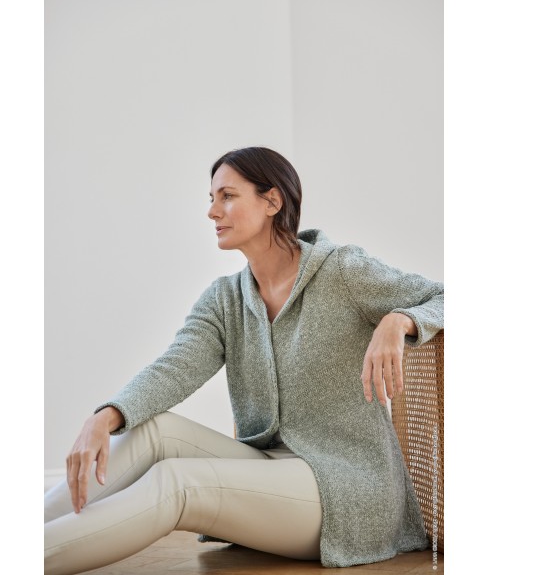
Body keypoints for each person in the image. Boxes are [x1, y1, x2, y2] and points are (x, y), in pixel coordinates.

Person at [44, 146, 444, 574]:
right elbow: (174, 367)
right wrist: (104, 417)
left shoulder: (342, 271)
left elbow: (444, 297)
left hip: (348, 487)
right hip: (270, 466)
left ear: (272, 201)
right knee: (154, 430)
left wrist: (399, 319)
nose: (212, 211)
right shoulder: (224, 299)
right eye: (211, 198)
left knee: (177, 482)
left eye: (228, 196)